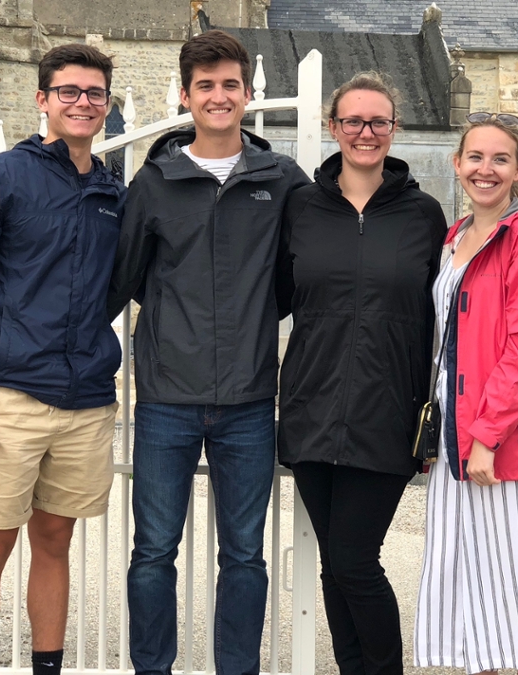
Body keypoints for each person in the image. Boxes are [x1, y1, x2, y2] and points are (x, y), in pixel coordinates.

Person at [105, 30, 309, 675]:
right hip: (166, 398)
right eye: (205, 87)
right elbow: (124, 279)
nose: (218, 97)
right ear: (187, 97)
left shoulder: (281, 180)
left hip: (249, 398)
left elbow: (295, 277)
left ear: (248, 94)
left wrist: (249, 326)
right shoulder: (157, 182)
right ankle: (152, 668)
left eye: (229, 85)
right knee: (152, 552)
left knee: (245, 555)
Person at [0, 43, 124, 675]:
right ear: (42, 99)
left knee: (54, 544)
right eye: (68, 91)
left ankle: (47, 669)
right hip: (7, 398)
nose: (82, 102)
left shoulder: (110, 189)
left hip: (84, 401)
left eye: (94, 93)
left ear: (106, 105)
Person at [275, 72, 448, 675]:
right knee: (334, 564)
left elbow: (447, 315)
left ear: (394, 130)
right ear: (334, 128)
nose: (366, 132)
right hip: (311, 406)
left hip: (387, 413)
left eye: (379, 122)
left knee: (354, 561)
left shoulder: (424, 215)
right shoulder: (301, 207)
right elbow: (272, 296)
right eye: (354, 121)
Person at [413, 112, 518, 675]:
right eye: (475, 158)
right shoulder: (456, 236)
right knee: (474, 594)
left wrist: (486, 436)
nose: (486, 169)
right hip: (460, 440)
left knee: (512, 592)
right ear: (457, 165)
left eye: (499, 159)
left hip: (508, 443)